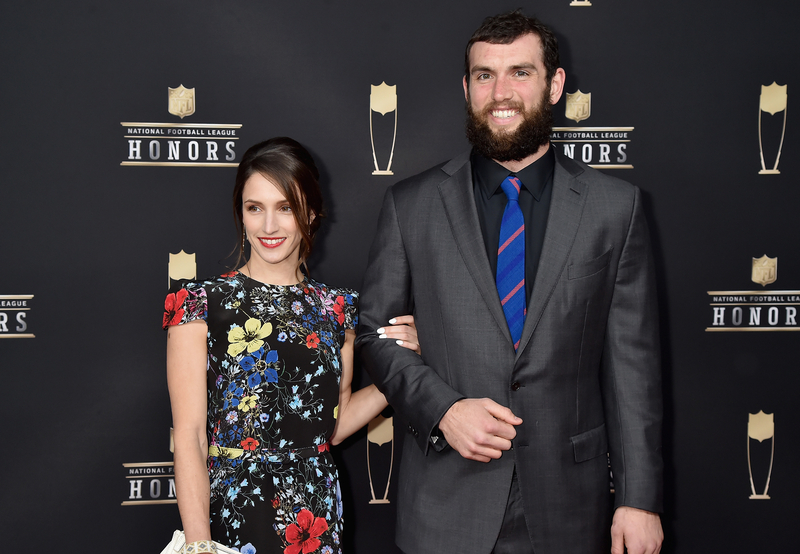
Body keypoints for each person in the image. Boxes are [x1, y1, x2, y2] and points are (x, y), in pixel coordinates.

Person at [356, 10, 663, 554]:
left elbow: (632, 367)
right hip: (446, 502)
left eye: (520, 73)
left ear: (555, 85)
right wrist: (443, 409)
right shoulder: (412, 205)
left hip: (569, 508)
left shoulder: (615, 209)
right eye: (484, 75)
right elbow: (376, 335)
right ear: (467, 88)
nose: (501, 92)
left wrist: (638, 499)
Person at [163, 137, 418, 554]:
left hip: (315, 509)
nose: (269, 227)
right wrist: (198, 545)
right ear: (240, 213)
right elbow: (189, 436)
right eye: (255, 208)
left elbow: (334, 425)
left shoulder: (337, 309)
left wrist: (404, 368)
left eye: (286, 207)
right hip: (235, 509)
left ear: (312, 212)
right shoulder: (200, 305)